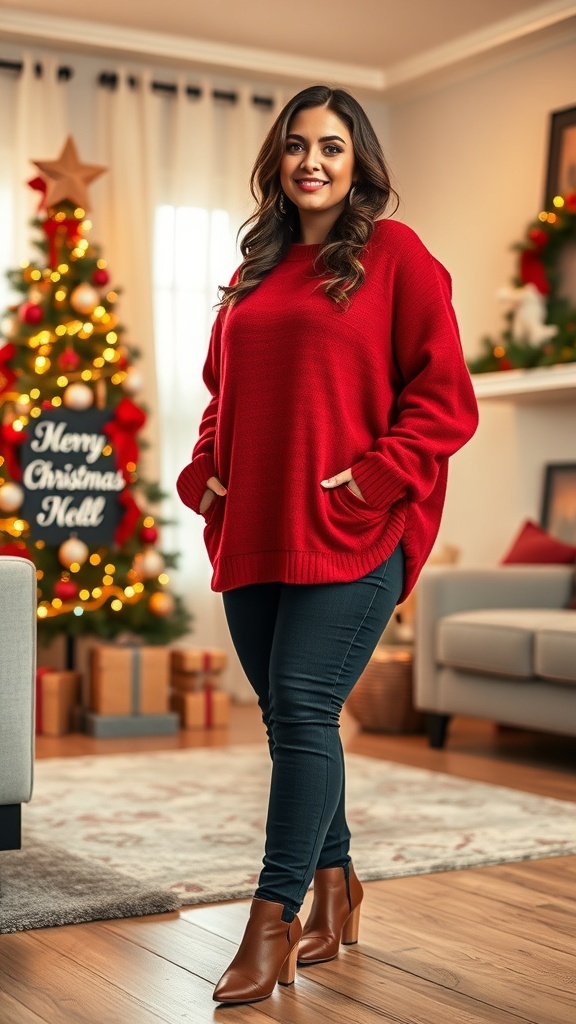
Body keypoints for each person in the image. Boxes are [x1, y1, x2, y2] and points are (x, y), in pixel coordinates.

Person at [177, 83, 478, 1006]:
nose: (314, 160)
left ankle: (272, 918)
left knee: (303, 708)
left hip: (350, 529)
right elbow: (222, 395)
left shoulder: (395, 256)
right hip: (254, 525)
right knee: (287, 717)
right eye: (299, 144)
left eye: (334, 147)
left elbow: (445, 395)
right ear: (278, 160)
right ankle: (338, 886)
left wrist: (379, 476)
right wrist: (205, 475)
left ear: (359, 163)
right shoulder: (252, 272)